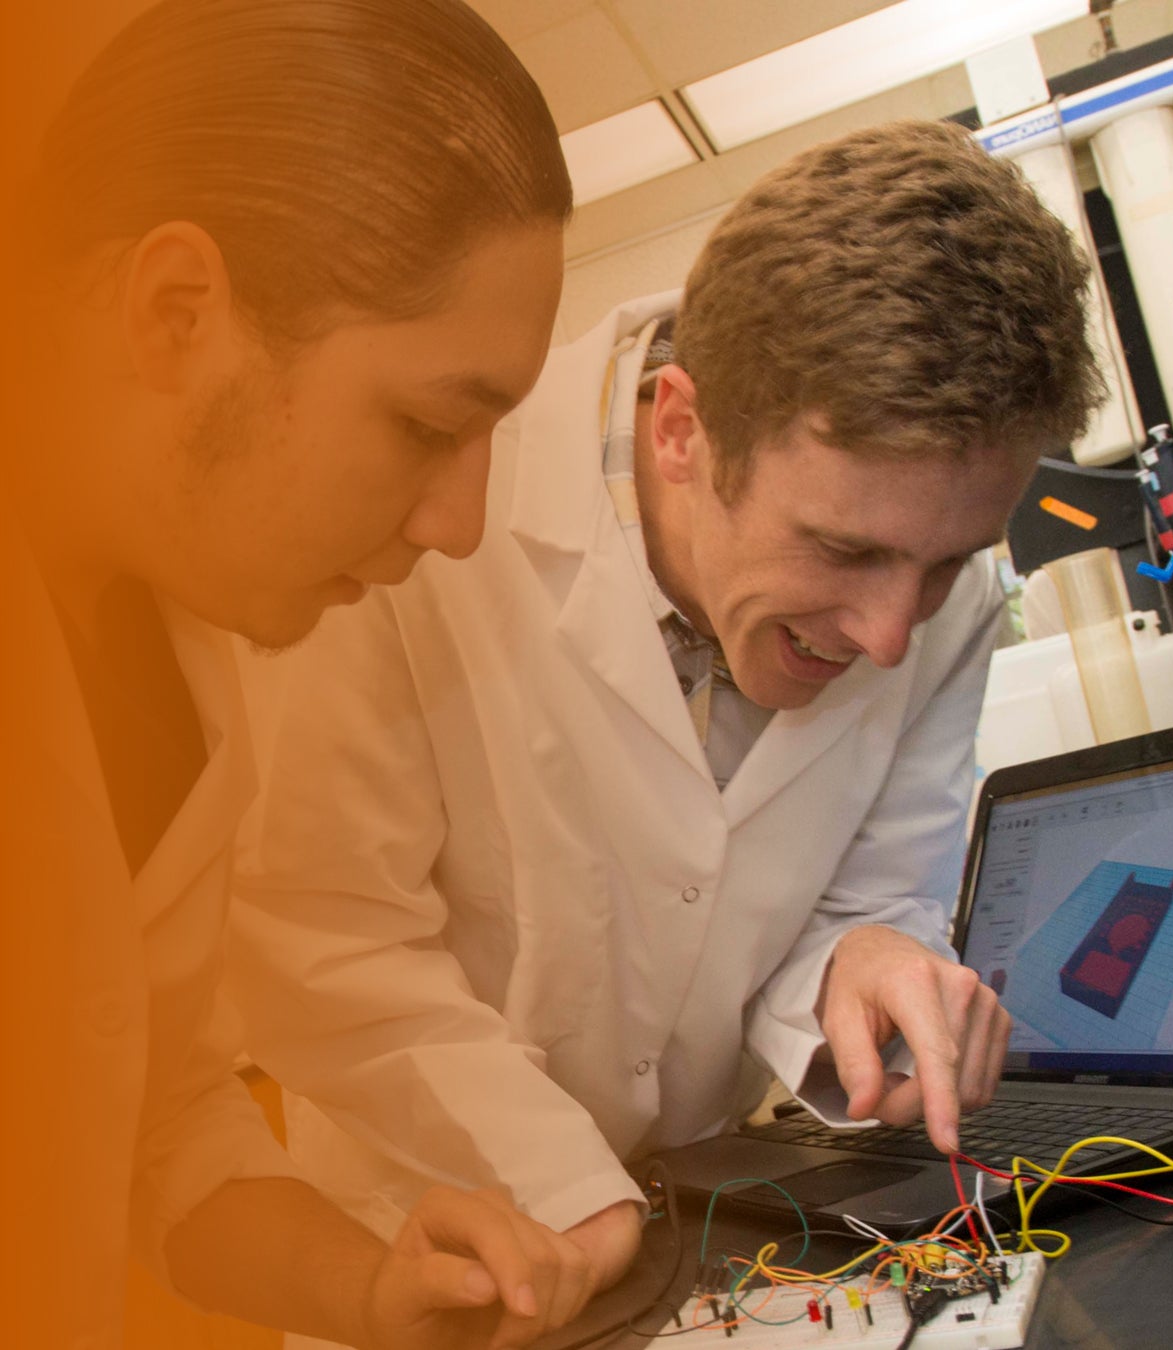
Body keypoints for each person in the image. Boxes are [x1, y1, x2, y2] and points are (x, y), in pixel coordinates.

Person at [224, 118, 1105, 1329]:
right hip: (437, 1246)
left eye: (948, 564)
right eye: (843, 550)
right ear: (682, 429)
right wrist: (566, 1185)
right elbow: (327, 934)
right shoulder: (421, 511)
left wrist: (869, 964)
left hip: (714, 1229)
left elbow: (862, 893)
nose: (894, 633)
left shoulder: (924, 601)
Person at [0, 1, 623, 1347]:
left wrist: (366, 1285)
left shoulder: (176, 647)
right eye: (423, 424)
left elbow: (160, 1123)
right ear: (179, 313)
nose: (458, 524)